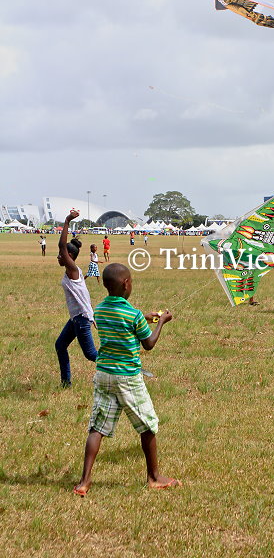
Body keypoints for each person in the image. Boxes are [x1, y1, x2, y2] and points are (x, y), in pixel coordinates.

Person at [73, 263, 181, 496]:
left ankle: (84, 481)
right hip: (128, 377)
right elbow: (148, 344)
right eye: (130, 281)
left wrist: (145, 318)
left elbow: (121, 323)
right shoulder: (133, 314)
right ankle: (154, 477)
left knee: (97, 427)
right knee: (148, 425)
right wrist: (161, 321)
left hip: (104, 374)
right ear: (126, 284)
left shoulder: (100, 310)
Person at [55, 210, 98, 387]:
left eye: (61, 255)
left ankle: (122, 366)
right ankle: (66, 383)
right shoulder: (72, 271)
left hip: (81, 318)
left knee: (91, 354)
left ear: (69, 257)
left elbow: (61, 245)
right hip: (76, 318)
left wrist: (67, 221)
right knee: (60, 345)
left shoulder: (73, 270)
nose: (58, 257)